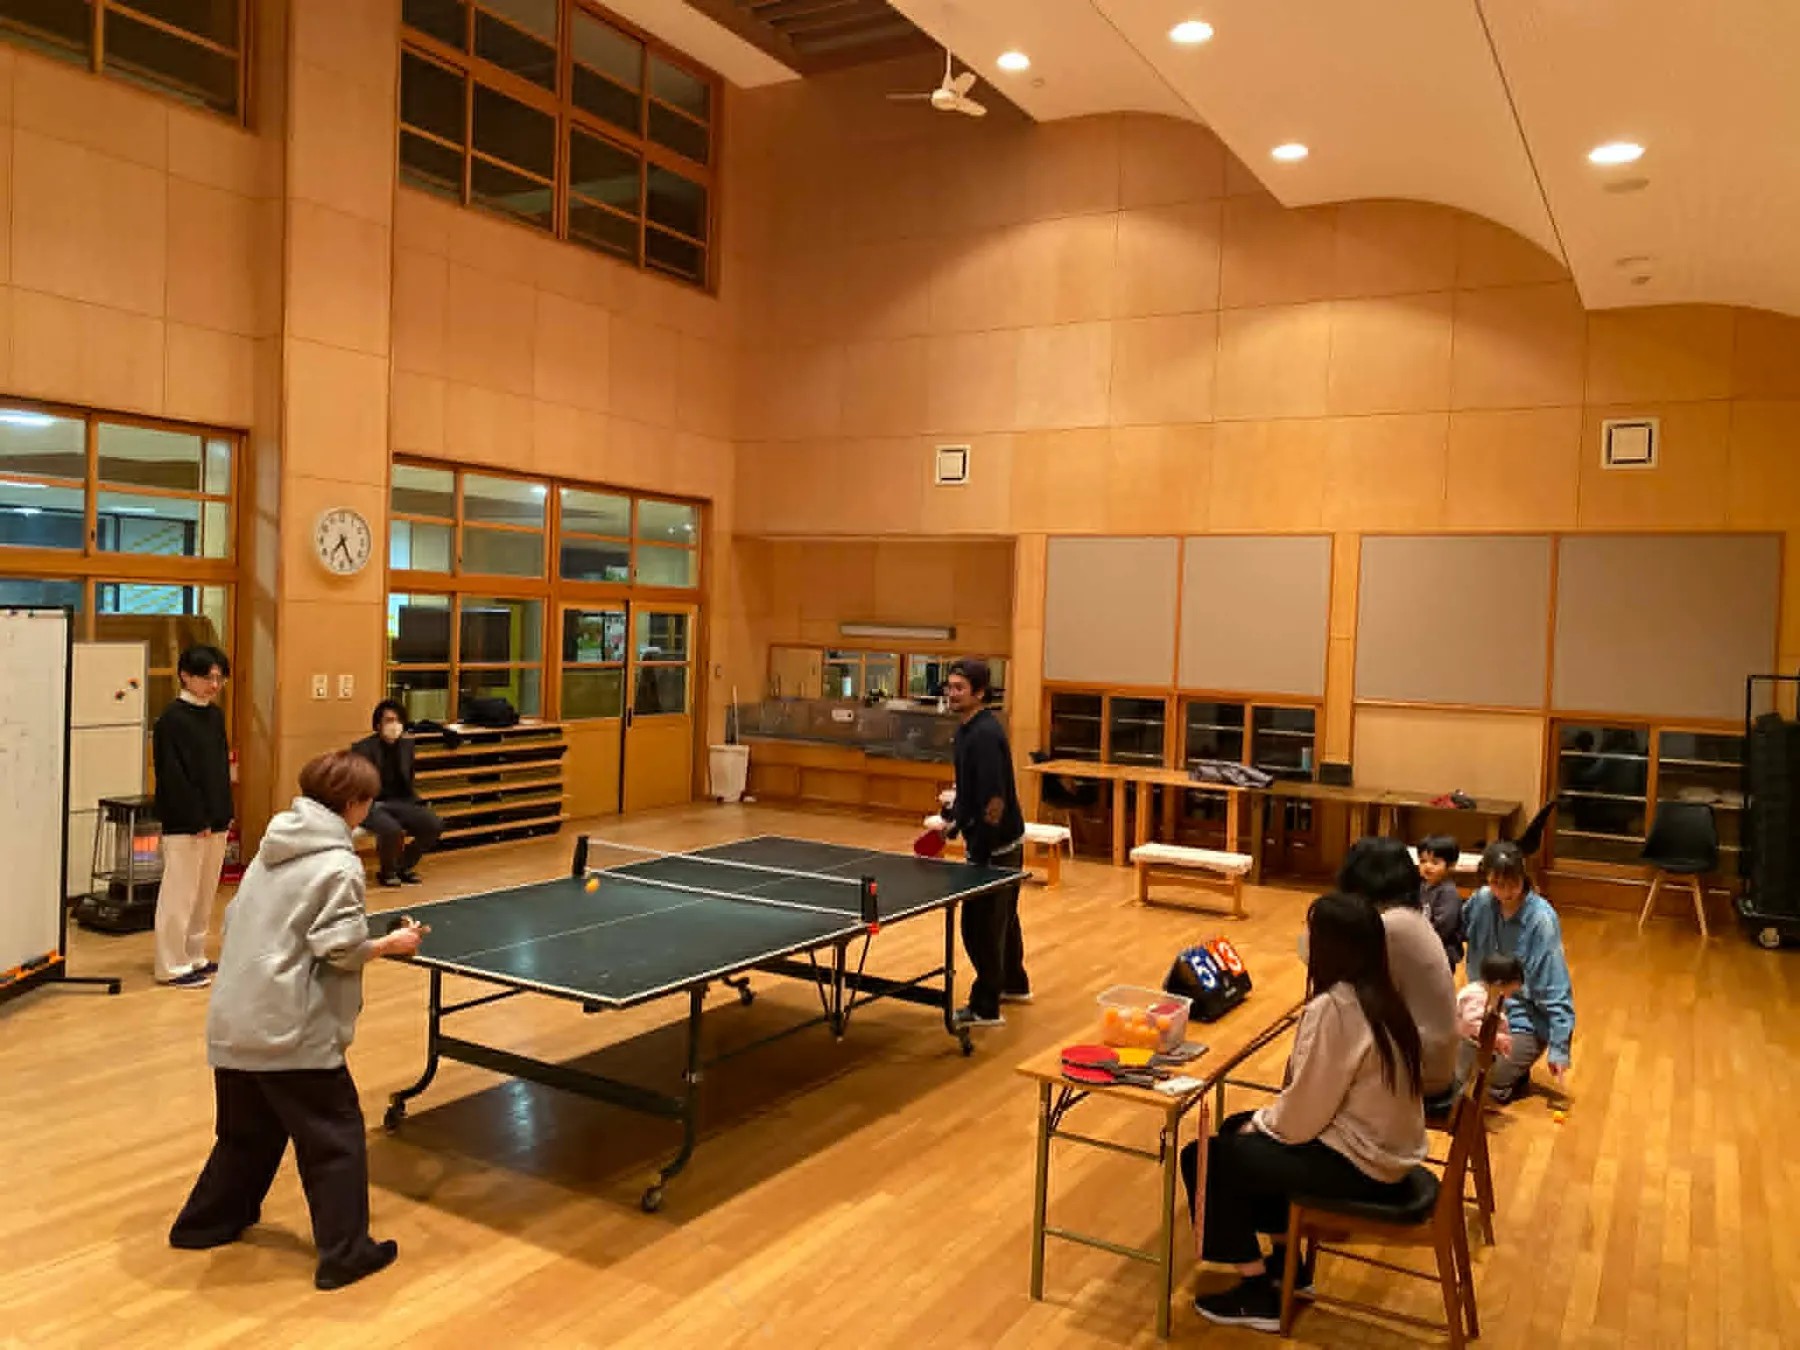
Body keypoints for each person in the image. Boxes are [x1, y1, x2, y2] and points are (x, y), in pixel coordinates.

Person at [169, 750, 428, 1291]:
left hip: (235, 1017)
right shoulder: (338, 864)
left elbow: (240, 922)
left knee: (247, 1135)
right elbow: (340, 949)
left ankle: (205, 1224)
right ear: (353, 804)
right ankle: (346, 1254)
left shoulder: (271, 849)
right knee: (335, 1139)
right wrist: (390, 944)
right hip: (291, 1028)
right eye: (367, 800)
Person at [1179, 892, 1427, 1332]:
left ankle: (1258, 1291)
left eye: (1311, 933)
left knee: (1204, 1155)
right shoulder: (1385, 996)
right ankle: (1287, 1264)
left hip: (1363, 1164)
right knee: (1238, 1131)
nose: (1304, 941)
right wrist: (1259, 1124)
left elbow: (1300, 1119)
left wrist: (1260, 1124)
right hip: (1388, 1152)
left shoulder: (1337, 1009)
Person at [1336, 836, 1459, 1104]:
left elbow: (1344, 978)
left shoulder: (1390, 926)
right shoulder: (1410, 917)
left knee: (1331, 1029)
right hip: (1435, 1058)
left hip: (1422, 1071)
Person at [941, 657, 1028, 1028]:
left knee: (979, 927)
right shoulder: (967, 730)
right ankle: (1014, 983)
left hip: (996, 848)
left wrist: (981, 850)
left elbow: (994, 800)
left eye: (960, 688)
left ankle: (985, 1006)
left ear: (979, 693)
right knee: (1003, 919)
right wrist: (954, 821)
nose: (952, 693)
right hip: (996, 842)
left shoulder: (985, 735)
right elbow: (970, 790)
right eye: (950, 686)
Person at [1462, 840, 1575, 1102]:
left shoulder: (1541, 919)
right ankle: (1507, 1068)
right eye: (1496, 884)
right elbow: (1457, 928)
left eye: (1512, 883)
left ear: (1523, 877)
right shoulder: (1481, 901)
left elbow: (1556, 988)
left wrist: (1559, 1049)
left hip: (1525, 1017)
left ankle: (1512, 1073)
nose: (1505, 892)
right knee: (1459, 1072)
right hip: (1484, 1007)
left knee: (1488, 1083)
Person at [152, 644, 234, 989]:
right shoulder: (171, 719)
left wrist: (224, 812)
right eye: (207, 677)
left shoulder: (214, 716)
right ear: (185, 676)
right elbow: (173, 776)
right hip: (185, 822)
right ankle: (170, 964)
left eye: (219, 678)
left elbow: (219, 769)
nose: (214, 685)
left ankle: (194, 953)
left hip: (215, 819)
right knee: (180, 893)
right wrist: (195, 817)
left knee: (204, 893)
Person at [351, 699, 443, 887]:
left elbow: (409, 778)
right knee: (391, 829)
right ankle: (388, 872)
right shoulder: (363, 749)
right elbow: (360, 786)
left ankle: (403, 866)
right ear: (378, 724)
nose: (394, 725)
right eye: (389, 720)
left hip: (402, 802)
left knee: (434, 824)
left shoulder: (407, 746)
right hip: (372, 804)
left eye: (398, 720)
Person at [1456, 952, 1525, 1064]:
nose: (1510, 995)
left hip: (1480, 1049)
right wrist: (1496, 1037)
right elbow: (1470, 1023)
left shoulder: (1493, 995)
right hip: (1466, 1049)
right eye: (1511, 991)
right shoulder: (1476, 995)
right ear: (1498, 983)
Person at [1416, 834, 1465, 968]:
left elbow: (1443, 927)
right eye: (1423, 861)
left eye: (1435, 862)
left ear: (1451, 865)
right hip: (1424, 947)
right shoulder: (1422, 886)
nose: (1427, 866)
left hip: (1442, 953)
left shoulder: (1448, 892)